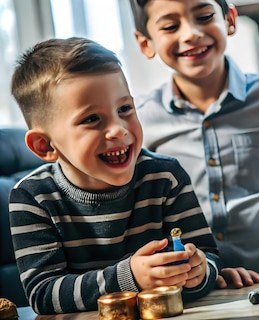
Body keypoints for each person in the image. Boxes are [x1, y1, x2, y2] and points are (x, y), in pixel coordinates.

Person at [9, 37, 220, 315]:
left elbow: (208, 256)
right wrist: (128, 278)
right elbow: (43, 294)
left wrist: (198, 273)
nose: (119, 129)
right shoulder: (31, 197)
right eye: (91, 119)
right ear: (45, 146)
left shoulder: (165, 176)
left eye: (124, 109)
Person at [127, 0, 259, 287]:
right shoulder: (140, 122)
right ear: (146, 42)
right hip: (192, 291)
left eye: (204, 16)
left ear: (229, 20)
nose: (190, 33)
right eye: (170, 26)